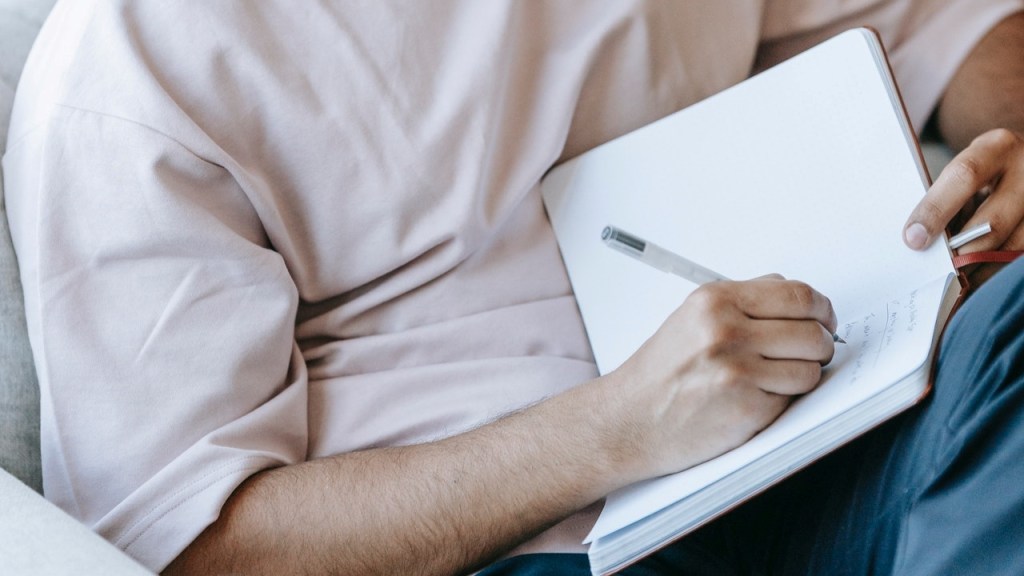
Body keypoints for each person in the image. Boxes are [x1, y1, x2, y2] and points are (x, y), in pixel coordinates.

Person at [5, 1, 1024, 574]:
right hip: (539, 552)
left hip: (854, 419)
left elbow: (946, 20)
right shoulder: (122, 83)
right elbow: (201, 550)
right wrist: (611, 432)